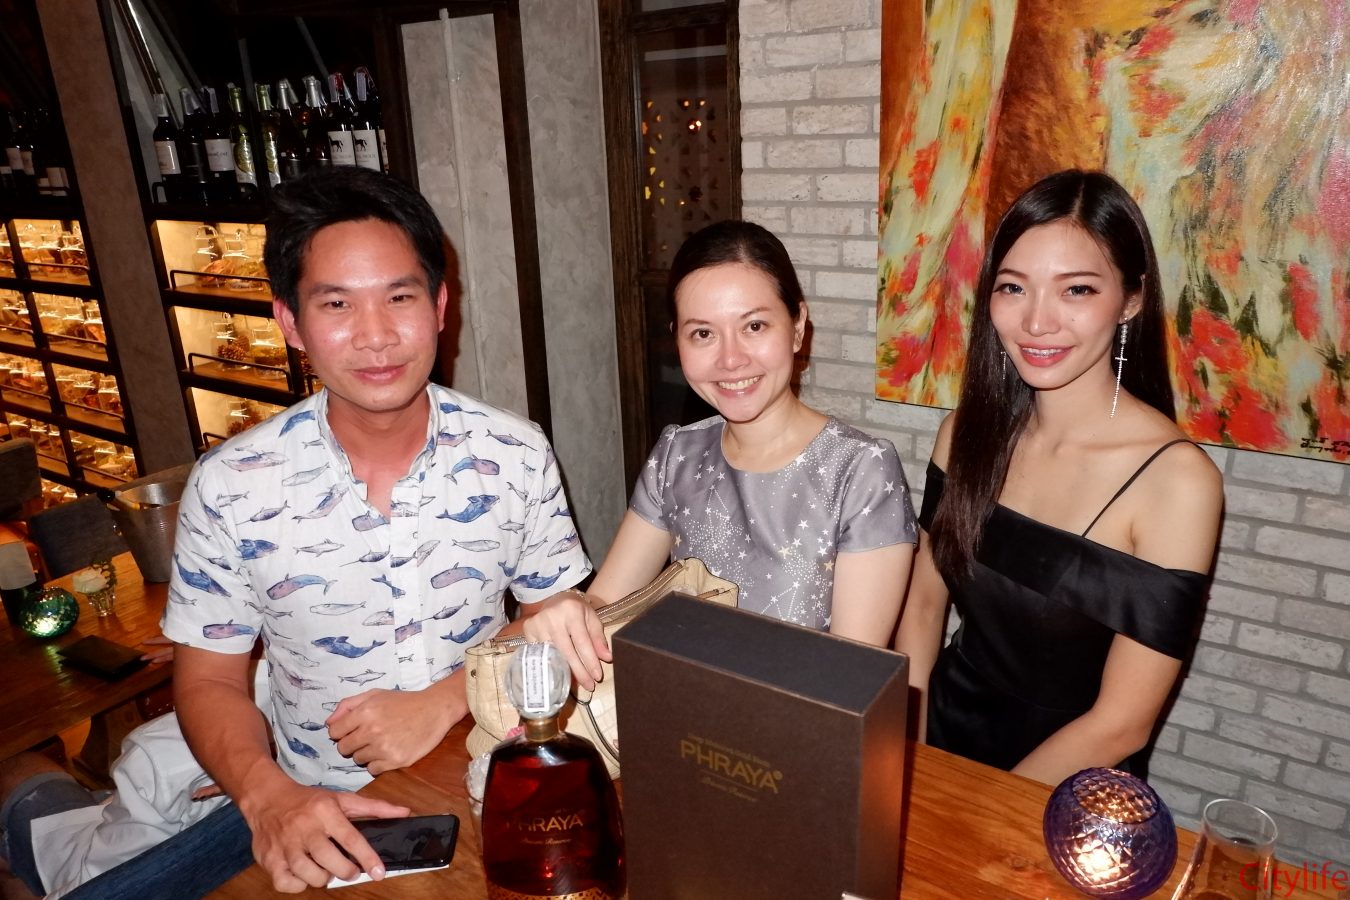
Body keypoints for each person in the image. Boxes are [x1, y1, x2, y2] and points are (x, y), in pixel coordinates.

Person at [0, 166, 590, 898]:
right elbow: (209, 680)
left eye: (400, 297)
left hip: (475, 780)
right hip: (301, 802)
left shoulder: (514, 453)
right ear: (289, 322)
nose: (376, 336)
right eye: (336, 303)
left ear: (441, 305)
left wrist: (446, 698)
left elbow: (556, 624)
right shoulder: (233, 483)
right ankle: (28, 795)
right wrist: (267, 798)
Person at [893, 170, 1223, 785]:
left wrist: (978, 810)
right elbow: (923, 604)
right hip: (940, 731)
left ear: (1131, 299)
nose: (1037, 321)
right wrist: (909, 756)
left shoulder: (1177, 482)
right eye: (1013, 287)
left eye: (1076, 290)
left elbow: (1122, 723)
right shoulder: (964, 435)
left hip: (1065, 785)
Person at [521, 220, 917, 689]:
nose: (731, 359)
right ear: (678, 341)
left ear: (797, 327)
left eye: (754, 326)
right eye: (703, 334)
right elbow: (608, 602)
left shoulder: (860, 470)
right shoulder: (677, 455)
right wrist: (570, 609)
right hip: (684, 711)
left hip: (801, 727)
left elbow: (848, 679)